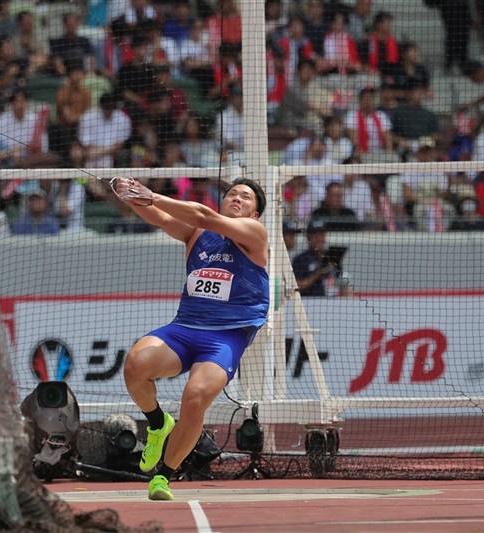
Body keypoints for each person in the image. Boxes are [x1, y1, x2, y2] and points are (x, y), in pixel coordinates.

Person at [117, 177, 269, 501]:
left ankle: (163, 476)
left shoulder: (256, 235)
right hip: (185, 328)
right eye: (231, 194)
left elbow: (202, 215)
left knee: (196, 395)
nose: (237, 199)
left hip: (225, 337)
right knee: (134, 366)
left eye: (245, 197)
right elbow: (159, 217)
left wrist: (152, 194)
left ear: (255, 214)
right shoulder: (198, 235)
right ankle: (158, 424)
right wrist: (130, 196)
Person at [292, 219, 347, 297]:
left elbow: (342, 282)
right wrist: (318, 273)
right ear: (308, 238)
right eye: (315, 235)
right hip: (309, 303)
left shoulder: (332, 256)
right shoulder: (301, 259)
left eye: (321, 234)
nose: (319, 238)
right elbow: (296, 287)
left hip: (334, 303)